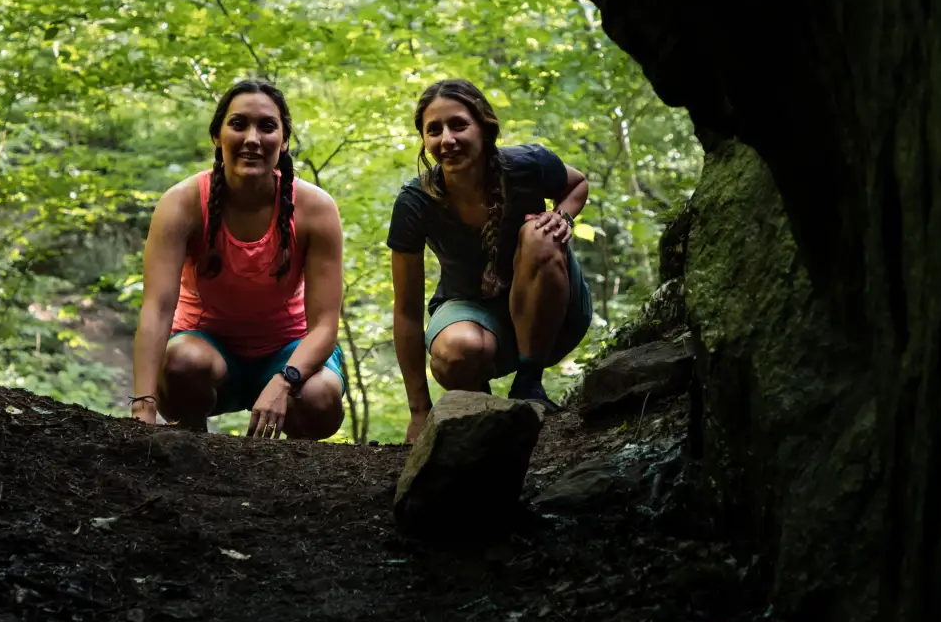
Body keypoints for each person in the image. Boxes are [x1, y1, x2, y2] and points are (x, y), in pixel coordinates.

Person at [129, 80, 346, 439]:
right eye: (238, 124)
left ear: (285, 140)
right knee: (182, 363)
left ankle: (287, 478)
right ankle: (191, 449)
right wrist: (143, 404)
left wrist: (284, 381)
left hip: (287, 349)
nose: (252, 139)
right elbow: (156, 308)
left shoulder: (315, 209)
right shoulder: (182, 203)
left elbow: (324, 325)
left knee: (320, 396)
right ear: (217, 136)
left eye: (267, 126)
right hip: (205, 350)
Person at [386, 78, 593, 442]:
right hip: (471, 311)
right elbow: (405, 311)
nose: (446, 139)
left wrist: (563, 217)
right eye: (434, 131)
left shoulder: (527, 165)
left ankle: (530, 386)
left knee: (540, 234)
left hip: (553, 308)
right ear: (424, 140)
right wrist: (419, 411)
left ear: (484, 127)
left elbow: (577, 184)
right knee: (456, 352)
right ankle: (482, 412)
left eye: (458, 125)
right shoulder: (415, 202)